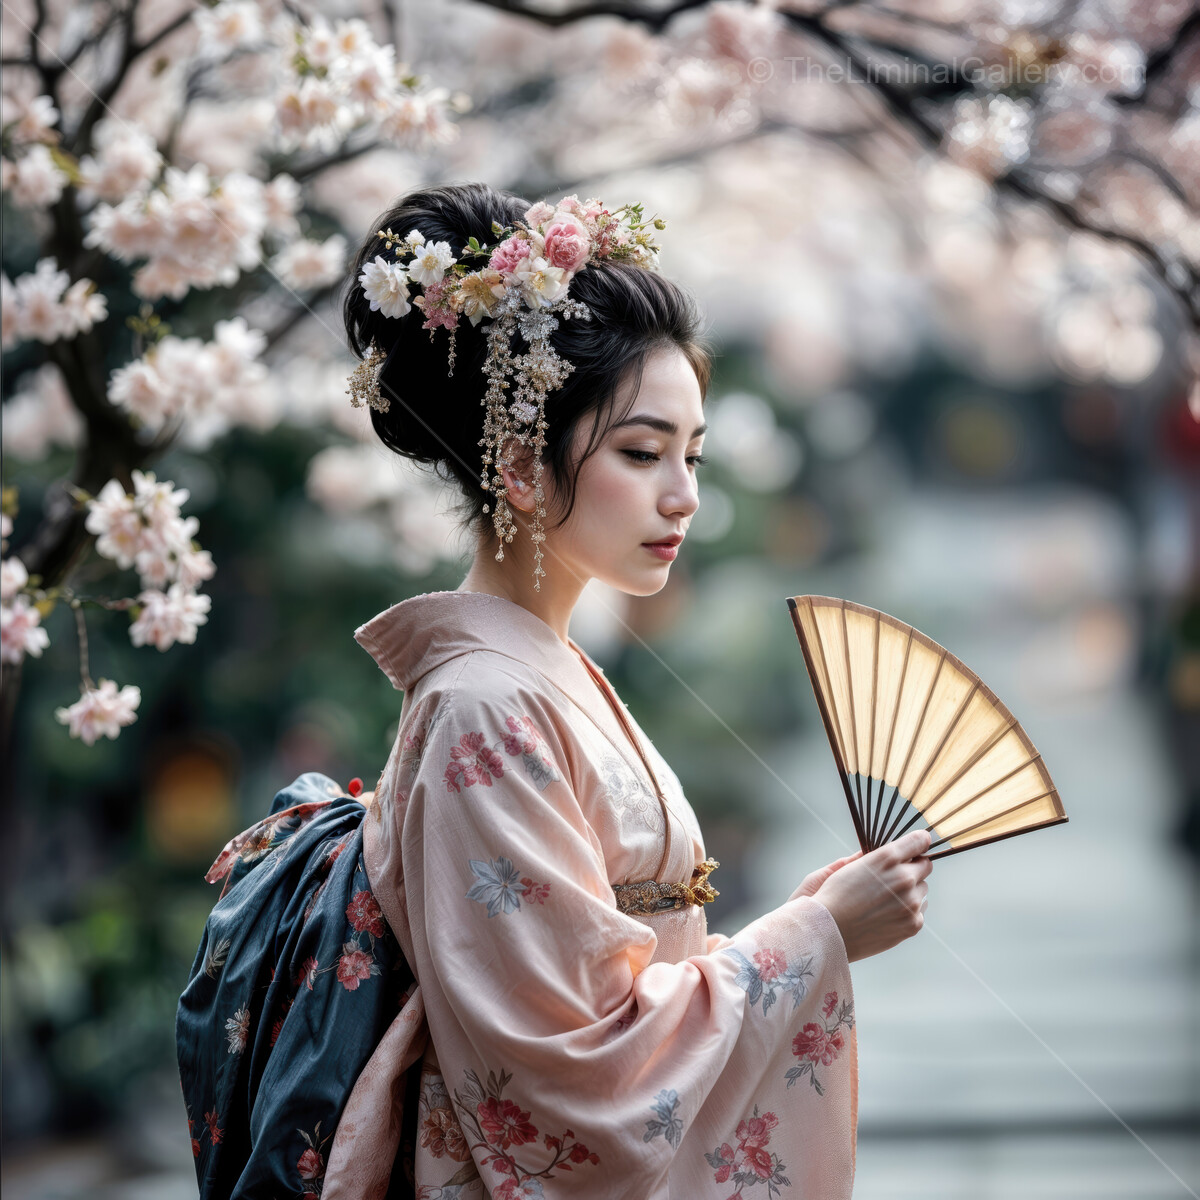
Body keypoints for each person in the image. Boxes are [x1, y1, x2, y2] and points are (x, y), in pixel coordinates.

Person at [178, 182, 933, 1199]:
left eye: (692, 454)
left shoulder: (537, 673)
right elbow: (567, 1079)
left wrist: (798, 922)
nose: (685, 494)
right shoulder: (483, 705)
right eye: (641, 452)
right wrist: (816, 937)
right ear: (527, 468)